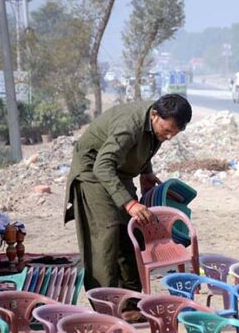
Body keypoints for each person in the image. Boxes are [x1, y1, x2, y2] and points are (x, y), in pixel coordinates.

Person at [64, 94, 192, 292]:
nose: (168, 137)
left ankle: (131, 303)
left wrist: (146, 173)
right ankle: (107, 304)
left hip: (118, 171)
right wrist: (130, 203)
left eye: (173, 134)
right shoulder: (129, 125)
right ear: (155, 115)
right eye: (166, 131)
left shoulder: (156, 122)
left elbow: (145, 143)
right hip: (92, 170)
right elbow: (102, 165)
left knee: (133, 230)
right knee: (107, 234)